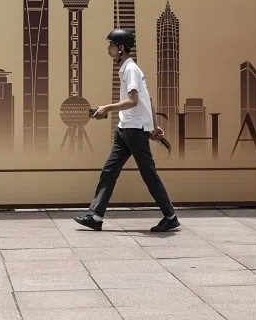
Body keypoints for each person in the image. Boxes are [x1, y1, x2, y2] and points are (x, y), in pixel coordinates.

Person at [75, 29, 180, 233]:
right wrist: (154, 125)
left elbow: (133, 101)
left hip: (134, 131)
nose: (109, 49)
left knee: (149, 174)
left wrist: (106, 108)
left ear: (121, 48)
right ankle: (95, 216)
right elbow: (146, 99)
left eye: (111, 45)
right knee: (109, 171)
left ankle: (170, 216)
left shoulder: (131, 69)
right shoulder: (126, 69)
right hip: (125, 130)